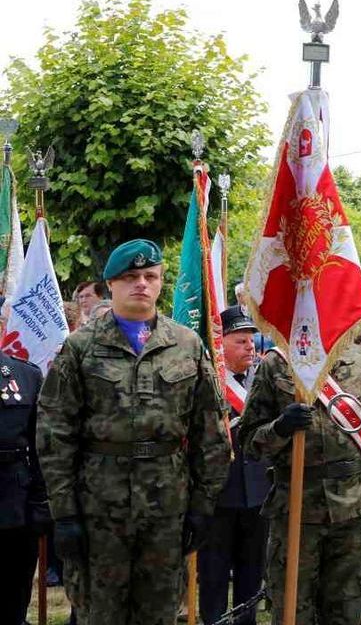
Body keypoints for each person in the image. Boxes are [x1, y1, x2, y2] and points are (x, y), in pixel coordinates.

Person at [36, 239, 231, 625]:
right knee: (99, 612)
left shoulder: (186, 345)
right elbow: (54, 433)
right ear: (111, 284)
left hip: (167, 507)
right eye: (129, 277)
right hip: (98, 508)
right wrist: (64, 514)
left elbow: (210, 431)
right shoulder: (81, 347)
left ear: (160, 282)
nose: (140, 284)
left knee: (159, 612)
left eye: (149, 276)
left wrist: (202, 506)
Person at [241, 323, 361, 624]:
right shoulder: (276, 363)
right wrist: (279, 428)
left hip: (355, 511)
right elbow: (250, 444)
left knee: (347, 612)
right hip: (294, 510)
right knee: (292, 611)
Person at [198, 306, 270, 625]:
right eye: (241, 341)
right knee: (213, 572)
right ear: (220, 343)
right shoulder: (205, 381)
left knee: (251, 571)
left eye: (251, 341)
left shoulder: (262, 380)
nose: (250, 347)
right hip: (217, 494)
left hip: (257, 494)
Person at [0, 349, 47, 624]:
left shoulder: (26, 375)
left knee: (13, 599)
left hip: (14, 507)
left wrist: (41, 504)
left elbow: (41, 446)